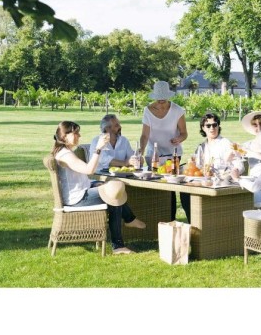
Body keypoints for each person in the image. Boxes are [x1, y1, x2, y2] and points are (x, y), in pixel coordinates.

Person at [52, 120, 146, 255]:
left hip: (81, 191)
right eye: (76, 133)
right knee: (114, 194)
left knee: (113, 191)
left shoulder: (64, 151)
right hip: (77, 198)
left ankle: (128, 223)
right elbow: (89, 170)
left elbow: (83, 175)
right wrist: (98, 148)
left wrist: (97, 184)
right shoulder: (65, 155)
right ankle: (120, 240)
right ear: (65, 136)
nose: (79, 135)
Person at [139, 81, 189, 221]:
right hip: (153, 154)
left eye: (164, 100)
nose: (161, 103)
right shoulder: (147, 111)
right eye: (159, 100)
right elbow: (144, 135)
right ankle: (158, 219)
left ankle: (171, 219)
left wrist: (179, 138)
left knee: (171, 187)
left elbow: (184, 133)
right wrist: (140, 152)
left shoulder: (177, 110)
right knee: (156, 186)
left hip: (173, 155)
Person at [196, 112, 244, 180]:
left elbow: (240, 165)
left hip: (224, 182)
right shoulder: (201, 147)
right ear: (203, 128)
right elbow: (197, 167)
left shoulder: (227, 143)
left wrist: (234, 171)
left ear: (218, 126)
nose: (212, 128)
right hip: (206, 181)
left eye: (214, 125)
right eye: (208, 126)